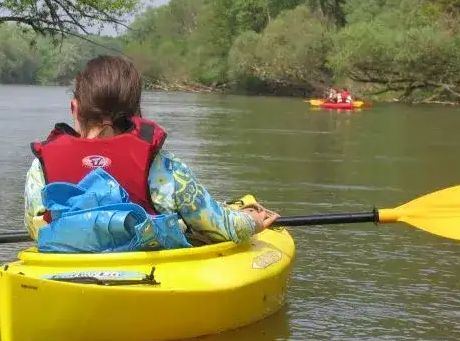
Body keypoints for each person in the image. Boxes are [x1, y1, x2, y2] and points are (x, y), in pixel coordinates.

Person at [24, 55, 279, 252]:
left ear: (74, 108)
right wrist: (251, 222)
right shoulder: (161, 167)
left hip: (66, 274)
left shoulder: (41, 169)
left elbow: (36, 231)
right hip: (145, 276)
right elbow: (221, 227)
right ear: (136, 113)